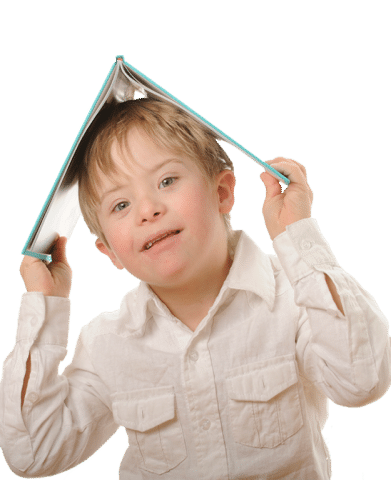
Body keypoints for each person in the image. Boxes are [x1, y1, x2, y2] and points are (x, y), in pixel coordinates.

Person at [0, 97, 390, 479]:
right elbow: (33, 453)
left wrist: (297, 235)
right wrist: (44, 307)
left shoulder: (293, 298)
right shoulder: (107, 343)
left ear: (221, 192)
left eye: (167, 181)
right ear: (109, 252)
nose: (147, 209)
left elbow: (363, 380)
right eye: (120, 205)